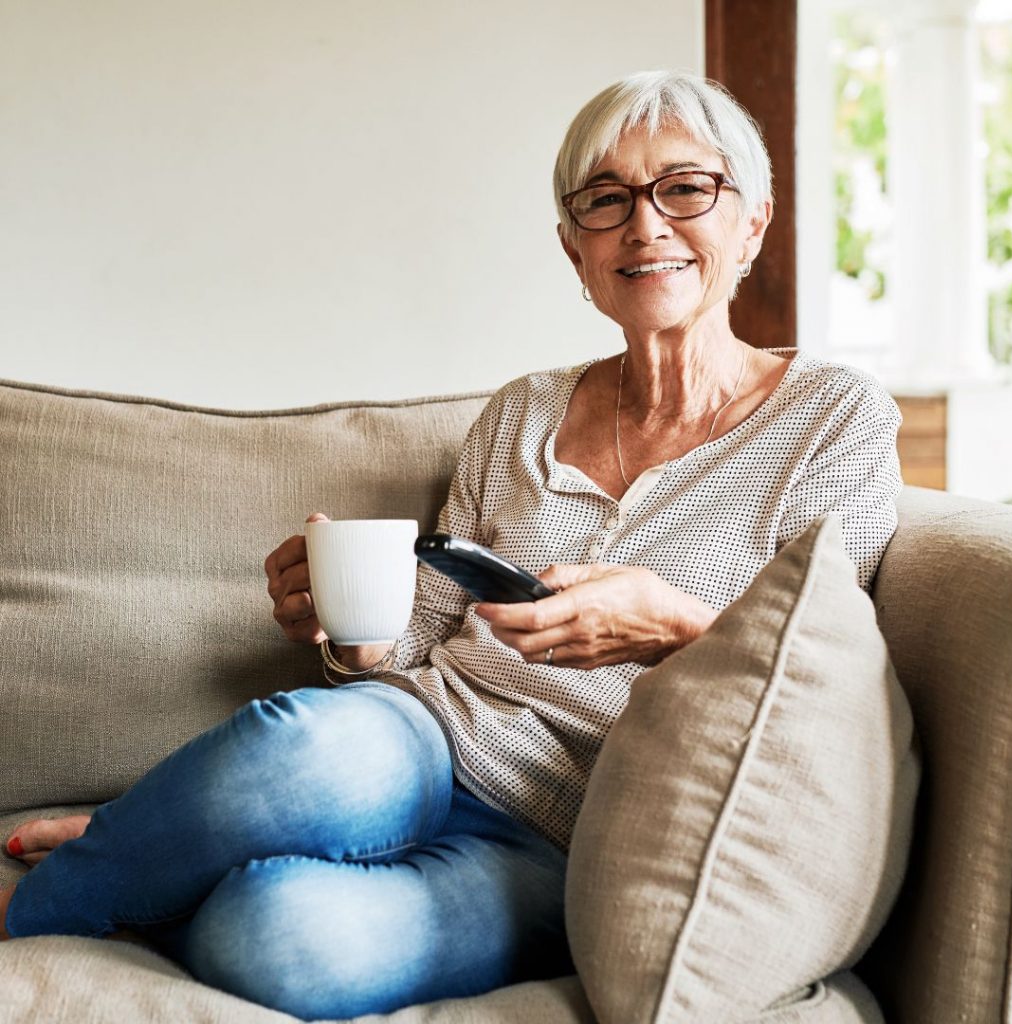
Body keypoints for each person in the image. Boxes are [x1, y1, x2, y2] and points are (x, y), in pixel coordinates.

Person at [0, 71, 902, 1019]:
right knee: (305, 747)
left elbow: (827, 678)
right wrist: (345, 624)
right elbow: (411, 646)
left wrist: (670, 627)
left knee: (276, 937)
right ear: (575, 247)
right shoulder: (523, 413)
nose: (645, 225)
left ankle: (152, 858)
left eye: (685, 189)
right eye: (606, 199)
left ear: (753, 223)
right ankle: (60, 897)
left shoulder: (831, 419)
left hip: (572, 830)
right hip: (423, 737)